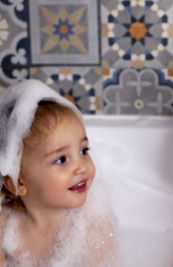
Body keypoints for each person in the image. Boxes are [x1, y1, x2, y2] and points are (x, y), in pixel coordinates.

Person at [0, 80, 116, 266]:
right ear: (18, 184)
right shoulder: (6, 224)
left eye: (84, 151)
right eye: (61, 159)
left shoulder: (92, 225)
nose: (82, 167)